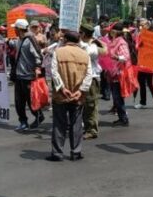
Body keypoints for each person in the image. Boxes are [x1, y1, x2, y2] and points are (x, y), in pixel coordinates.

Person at [45, 31, 93, 162]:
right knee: (76, 124)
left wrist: (62, 88)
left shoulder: (58, 52)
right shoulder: (85, 54)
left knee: (59, 124)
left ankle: (57, 153)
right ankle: (75, 152)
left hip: (61, 95)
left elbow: (54, 72)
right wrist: (81, 90)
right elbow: (89, 75)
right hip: (78, 94)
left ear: (65, 39)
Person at [11, 19, 43, 132]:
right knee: (19, 102)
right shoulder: (19, 40)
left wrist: (37, 67)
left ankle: (39, 115)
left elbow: (38, 55)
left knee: (31, 101)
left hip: (28, 76)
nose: (13, 30)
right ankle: (23, 122)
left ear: (19, 29)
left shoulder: (29, 40)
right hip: (19, 75)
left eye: (15, 28)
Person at [79, 23, 105, 140]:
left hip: (92, 78)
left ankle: (92, 130)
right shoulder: (84, 44)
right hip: (83, 77)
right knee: (84, 104)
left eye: (80, 33)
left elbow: (87, 52)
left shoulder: (92, 45)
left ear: (83, 34)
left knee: (90, 105)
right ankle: (87, 127)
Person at [107, 22, 131, 126]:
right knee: (116, 97)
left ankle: (124, 119)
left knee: (118, 97)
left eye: (112, 30)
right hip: (112, 72)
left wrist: (115, 57)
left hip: (119, 73)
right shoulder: (113, 41)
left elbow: (125, 56)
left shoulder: (121, 42)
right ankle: (122, 117)